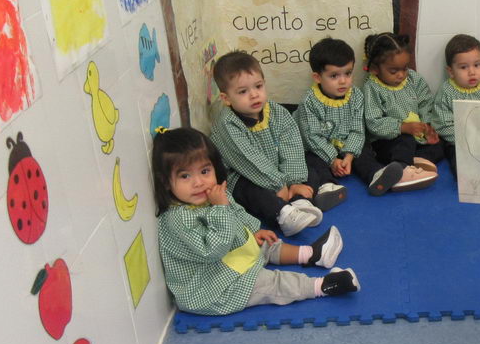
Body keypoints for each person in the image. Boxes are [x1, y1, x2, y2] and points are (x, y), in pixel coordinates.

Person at [152, 127, 359, 316]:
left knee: (265, 244)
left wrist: (252, 230)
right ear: (166, 182)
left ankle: (312, 254)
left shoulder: (211, 195)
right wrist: (220, 208)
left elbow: (236, 211)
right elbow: (212, 250)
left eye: (205, 171)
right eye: (185, 176)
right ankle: (324, 286)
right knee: (270, 283)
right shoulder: (177, 219)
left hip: (224, 261)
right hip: (212, 289)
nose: (198, 182)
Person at [207, 51, 333, 237]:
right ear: (226, 99)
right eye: (243, 92)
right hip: (244, 175)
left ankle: (299, 200)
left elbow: (291, 147)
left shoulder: (276, 111)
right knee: (255, 194)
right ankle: (283, 216)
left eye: (258, 86)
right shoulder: (228, 123)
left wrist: (293, 181)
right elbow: (248, 159)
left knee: (309, 167)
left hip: (276, 171)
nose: (254, 95)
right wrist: (278, 185)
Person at [294, 37, 420, 196]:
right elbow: (312, 137)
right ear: (318, 77)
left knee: (365, 153)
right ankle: (328, 187)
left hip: (348, 147)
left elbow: (357, 130)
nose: (343, 81)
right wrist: (333, 160)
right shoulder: (309, 102)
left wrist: (349, 155)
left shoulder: (356, 96)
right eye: (334, 76)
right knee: (312, 161)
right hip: (320, 149)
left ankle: (376, 175)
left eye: (347, 73)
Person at [362, 32, 441, 188]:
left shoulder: (413, 79)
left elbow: (426, 102)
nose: (401, 74)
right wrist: (402, 127)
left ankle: (417, 161)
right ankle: (402, 170)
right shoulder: (372, 88)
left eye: (405, 68)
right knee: (405, 141)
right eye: (393, 71)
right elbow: (373, 122)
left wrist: (427, 126)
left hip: (416, 137)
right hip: (387, 142)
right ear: (374, 69)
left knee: (440, 145)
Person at [430, 34, 480, 176]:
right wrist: (469, 138)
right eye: (464, 67)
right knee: (461, 166)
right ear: (451, 71)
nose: (472, 72)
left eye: (477, 65)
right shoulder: (447, 91)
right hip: (460, 143)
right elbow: (442, 125)